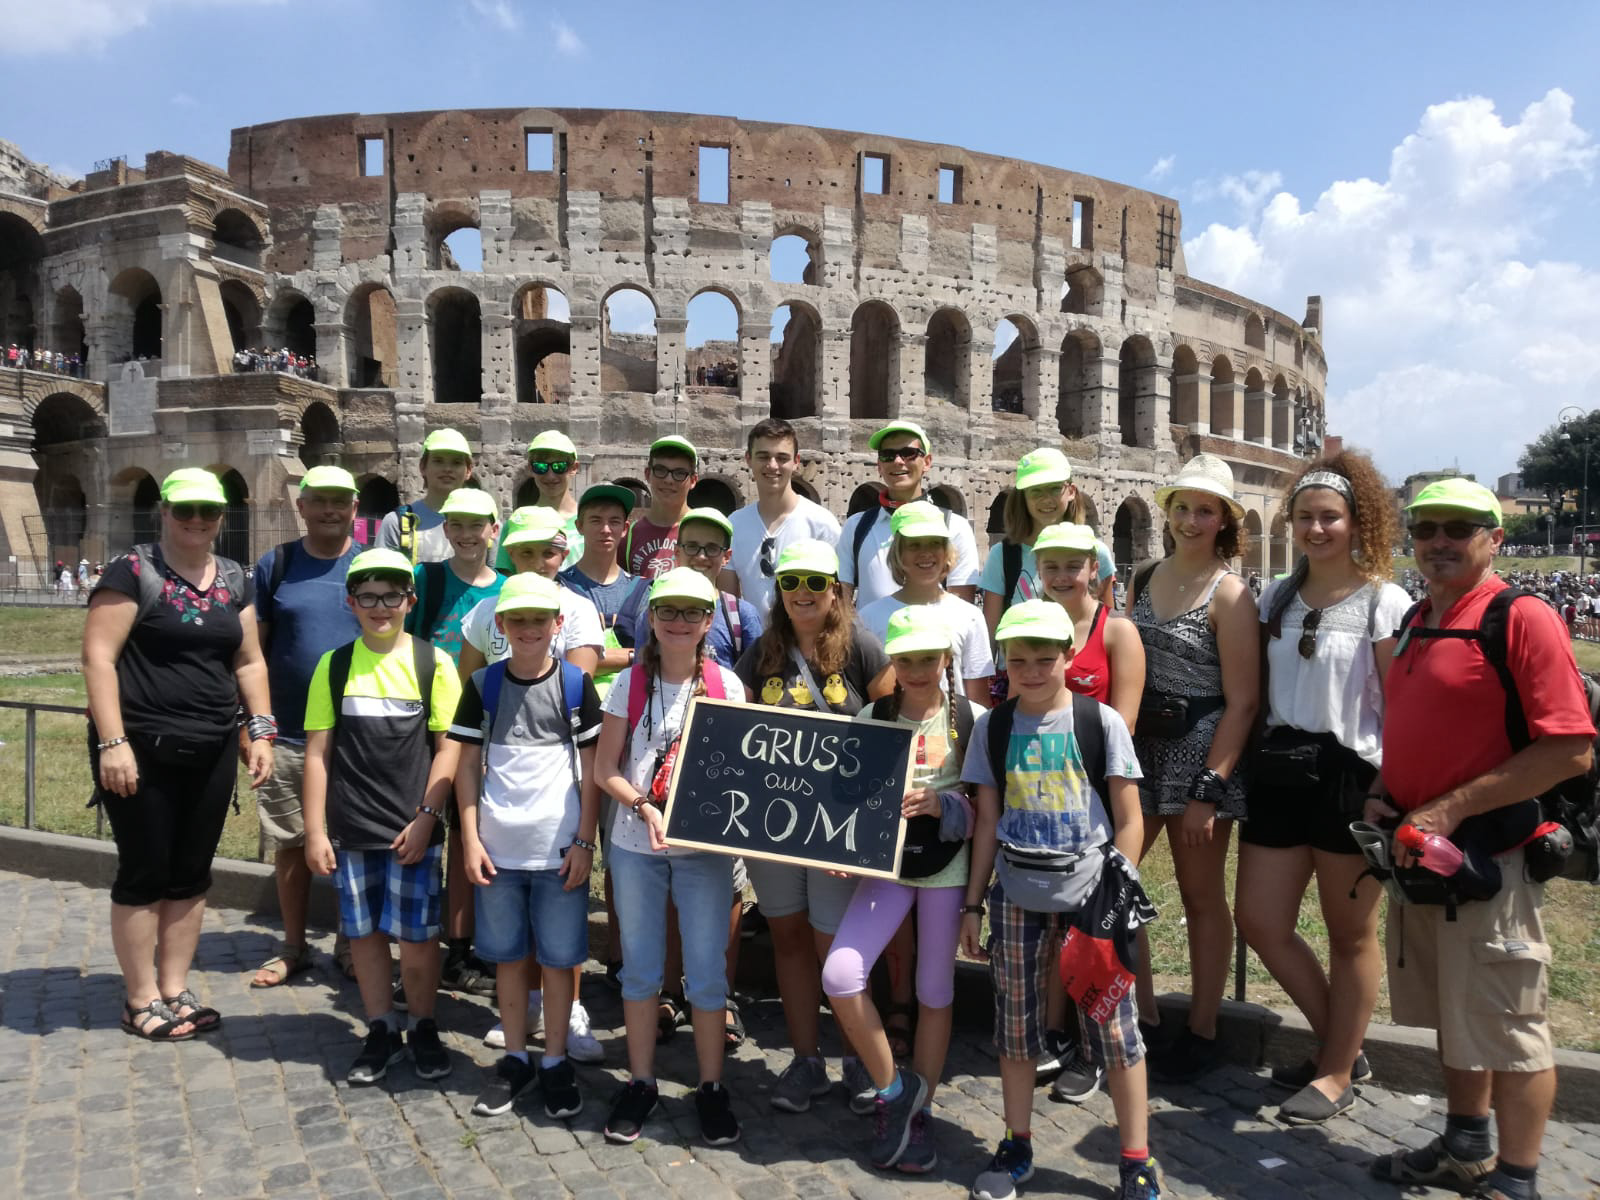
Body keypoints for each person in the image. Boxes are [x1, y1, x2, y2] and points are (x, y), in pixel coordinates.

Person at [1366, 479, 1591, 1200]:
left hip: (1490, 857)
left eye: (1459, 528)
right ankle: (1465, 1147)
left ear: (1494, 538)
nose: (1438, 541)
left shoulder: (1520, 617)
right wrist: (1386, 791)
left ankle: (1518, 1179)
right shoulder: (1418, 617)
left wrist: (1449, 809)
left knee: (1511, 1025)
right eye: (1425, 527)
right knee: (1452, 1014)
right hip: (1425, 857)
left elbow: (1570, 749)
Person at [960, 600, 1160, 1200]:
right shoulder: (993, 728)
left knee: (1116, 1033)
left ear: (1069, 658)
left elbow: (1130, 818)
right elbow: (988, 822)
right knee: (1016, 1032)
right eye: (1018, 661)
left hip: (1091, 897)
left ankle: (1135, 1158)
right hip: (1018, 896)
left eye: (1044, 659)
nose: (1031, 670)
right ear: (1004, 663)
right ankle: (1017, 1142)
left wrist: (1115, 892)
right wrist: (973, 905)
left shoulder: (1100, 724)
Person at [1233, 453, 1410, 1125]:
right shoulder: (1275, 594)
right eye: (1304, 517)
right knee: (1261, 918)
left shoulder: (1382, 601)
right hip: (1282, 766)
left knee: (1350, 935)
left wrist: (1387, 787)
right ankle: (1344, 1043)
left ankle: (1336, 1068)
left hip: (1350, 775)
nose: (1316, 528)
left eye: (1329, 517)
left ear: (1356, 521)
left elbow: (1400, 709)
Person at [84, 467, 275, 1040]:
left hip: (213, 743)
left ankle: (174, 987)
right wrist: (113, 742)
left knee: (192, 872)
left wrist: (260, 729)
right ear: (163, 510)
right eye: (185, 509)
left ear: (222, 516)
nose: (197, 520)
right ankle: (139, 997)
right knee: (145, 870)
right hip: (141, 745)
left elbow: (249, 661)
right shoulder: (133, 571)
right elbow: (98, 659)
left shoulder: (235, 577)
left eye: (208, 511)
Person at [732, 539, 893, 1113]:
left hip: (836, 826)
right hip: (774, 825)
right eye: (791, 582)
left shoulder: (864, 648)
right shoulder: (760, 653)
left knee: (835, 946)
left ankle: (855, 1057)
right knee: (789, 938)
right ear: (778, 590)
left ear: (836, 592)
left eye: (815, 583)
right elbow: (734, 728)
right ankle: (806, 1061)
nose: (803, 593)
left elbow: (895, 726)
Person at [822, 606, 982, 1174]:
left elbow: (989, 807)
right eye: (906, 659)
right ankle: (895, 1090)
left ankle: (922, 1109)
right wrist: (845, 847)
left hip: (946, 869)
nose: (917, 670)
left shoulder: (971, 717)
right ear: (893, 661)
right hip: (886, 869)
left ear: (947, 660)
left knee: (934, 990)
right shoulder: (874, 713)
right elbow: (850, 795)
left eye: (928, 659)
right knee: (840, 973)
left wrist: (944, 803)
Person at [593, 568, 746, 1147]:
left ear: (708, 621)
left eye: (691, 613)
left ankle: (710, 1086)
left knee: (706, 973)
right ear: (651, 620)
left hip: (702, 852)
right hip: (636, 845)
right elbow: (605, 768)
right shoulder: (627, 684)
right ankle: (640, 1080)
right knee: (640, 971)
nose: (679, 622)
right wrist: (642, 805)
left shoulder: (727, 687)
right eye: (668, 612)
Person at [302, 549, 462, 1085]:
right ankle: (379, 1028)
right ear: (351, 603)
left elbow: (448, 750)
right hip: (353, 828)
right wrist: (317, 831)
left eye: (391, 595)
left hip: (411, 830)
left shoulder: (432, 662)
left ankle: (422, 1024)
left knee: (417, 941)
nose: (380, 606)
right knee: (365, 936)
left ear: (409, 601)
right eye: (367, 597)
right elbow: (318, 754)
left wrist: (425, 817)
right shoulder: (335, 664)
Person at [448, 574, 604, 1119]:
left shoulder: (577, 686)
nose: (530, 629)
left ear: (558, 625)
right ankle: (516, 1056)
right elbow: (466, 765)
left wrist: (586, 840)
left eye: (541, 619)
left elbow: (592, 770)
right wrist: (469, 838)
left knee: (560, 964)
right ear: (501, 625)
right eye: (518, 620)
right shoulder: (483, 685)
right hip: (498, 852)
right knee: (509, 961)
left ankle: (555, 1059)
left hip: (560, 852)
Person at [1126, 452, 1259, 1080]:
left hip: (1201, 751)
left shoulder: (1231, 594)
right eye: (1181, 506)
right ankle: (1145, 1013)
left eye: (1204, 510)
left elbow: (1243, 700)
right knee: (1115, 881)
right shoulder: (1144, 575)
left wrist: (1212, 785)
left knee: (1200, 895)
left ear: (1223, 520)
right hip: (1144, 744)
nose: (1189, 519)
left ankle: (1203, 1027)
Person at [1027, 520, 1147, 1102]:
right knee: (1056, 927)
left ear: (1093, 569)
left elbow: (1122, 724)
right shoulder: (1032, 627)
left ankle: (1099, 1046)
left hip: (1096, 794)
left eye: (1072, 564)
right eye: (1050, 564)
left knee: (1095, 926)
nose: (1061, 575)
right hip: (1042, 796)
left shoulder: (1116, 630)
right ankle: (1058, 1035)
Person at [248, 465, 364, 987]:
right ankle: (293, 945)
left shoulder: (369, 566)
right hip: (290, 728)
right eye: (319, 500)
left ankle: (349, 942)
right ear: (302, 505)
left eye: (340, 502)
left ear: (355, 509)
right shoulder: (277, 564)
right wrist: (254, 725)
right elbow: (254, 652)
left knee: (353, 840)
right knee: (292, 842)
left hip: (358, 731)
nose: (330, 510)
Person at [407, 487, 504, 997]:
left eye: (477, 525)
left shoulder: (505, 587)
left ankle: (468, 946)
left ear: (494, 529)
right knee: (433, 837)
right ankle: (431, 945)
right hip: (429, 721)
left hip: (483, 728)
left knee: (475, 836)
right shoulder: (428, 578)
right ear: (445, 530)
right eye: (457, 525)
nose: (467, 535)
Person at [858, 500, 993, 703]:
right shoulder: (869, 618)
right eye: (914, 545)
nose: (926, 552)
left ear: (946, 551)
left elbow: (978, 700)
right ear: (898, 553)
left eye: (934, 543)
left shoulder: (969, 616)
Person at [838, 421, 980, 610]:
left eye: (908, 453)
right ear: (879, 466)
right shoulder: (856, 527)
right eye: (888, 455)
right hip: (870, 638)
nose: (898, 461)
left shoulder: (955, 527)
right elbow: (842, 604)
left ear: (927, 462)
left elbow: (961, 609)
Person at [978, 448, 1115, 643]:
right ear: (1023, 497)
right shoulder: (1002, 555)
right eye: (1036, 491)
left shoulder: (1096, 551)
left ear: (1071, 491)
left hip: (1081, 668)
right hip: (1018, 669)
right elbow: (990, 635)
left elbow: (1108, 626)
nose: (1046, 499)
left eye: (1053, 488)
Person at [723, 417, 841, 616]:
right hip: (754, 644)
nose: (772, 465)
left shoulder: (822, 524)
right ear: (748, 459)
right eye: (763, 456)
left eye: (782, 458)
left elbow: (837, 599)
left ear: (796, 462)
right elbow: (729, 606)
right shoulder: (734, 525)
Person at [619, 507, 763, 670]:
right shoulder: (653, 613)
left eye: (712, 548)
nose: (701, 556)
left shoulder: (741, 615)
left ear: (726, 557)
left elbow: (755, 683)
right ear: (677, 552)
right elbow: (641, 678)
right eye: (692, 546)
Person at [559, 483, 638, 698]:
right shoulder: (558, 587)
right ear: (579, 526)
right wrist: (633, 656)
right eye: (596, 520)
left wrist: (588, 656)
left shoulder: (643, 589)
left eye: (614, 521)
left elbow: (656, 659)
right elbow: (559, 660)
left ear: (625, 528)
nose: (605, 529)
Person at [377, 428, 475, 564]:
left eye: (456, 462)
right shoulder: (396, 522)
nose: (447, 468)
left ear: (468, 470)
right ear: (422, 467)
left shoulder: (486, 523)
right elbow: (382, 579)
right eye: (438, 461)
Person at [501, 430, 583, 571]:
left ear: (574, 468)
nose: (550, 476)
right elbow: (507, 580)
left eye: (559, 466)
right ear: (530, 469)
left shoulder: (591, 523)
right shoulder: (516, 524)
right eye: (541, 467)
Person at [620, 435, 698, 580]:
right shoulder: (628, 535)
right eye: (661, 470)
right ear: (648, 474)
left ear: (693, 480)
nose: (669, 480)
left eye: (679, 473)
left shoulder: (706, 530)